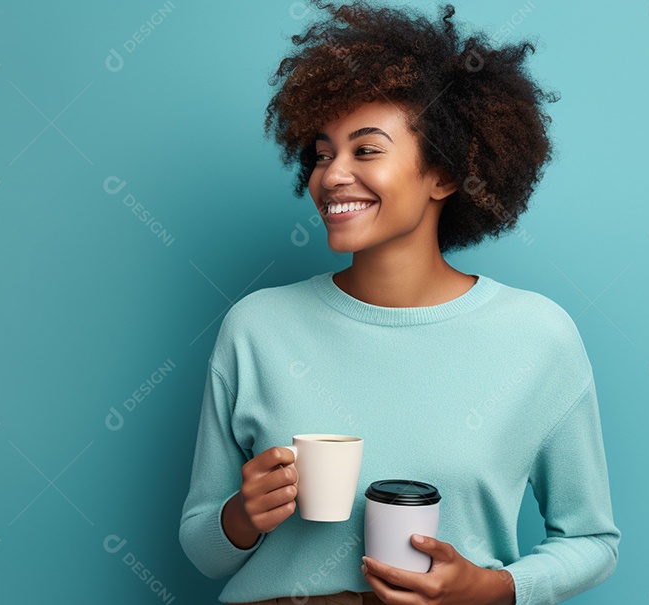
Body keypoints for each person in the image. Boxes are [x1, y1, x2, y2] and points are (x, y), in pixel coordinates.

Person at [178, 2, 620, 603]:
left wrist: (493, 589)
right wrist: (240, 516)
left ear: (444, 175)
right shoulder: (257, 327)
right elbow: (203, 550)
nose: (331, 175)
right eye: (322, 152)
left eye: (365, 150)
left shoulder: (538, 337)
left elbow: (593, 539)